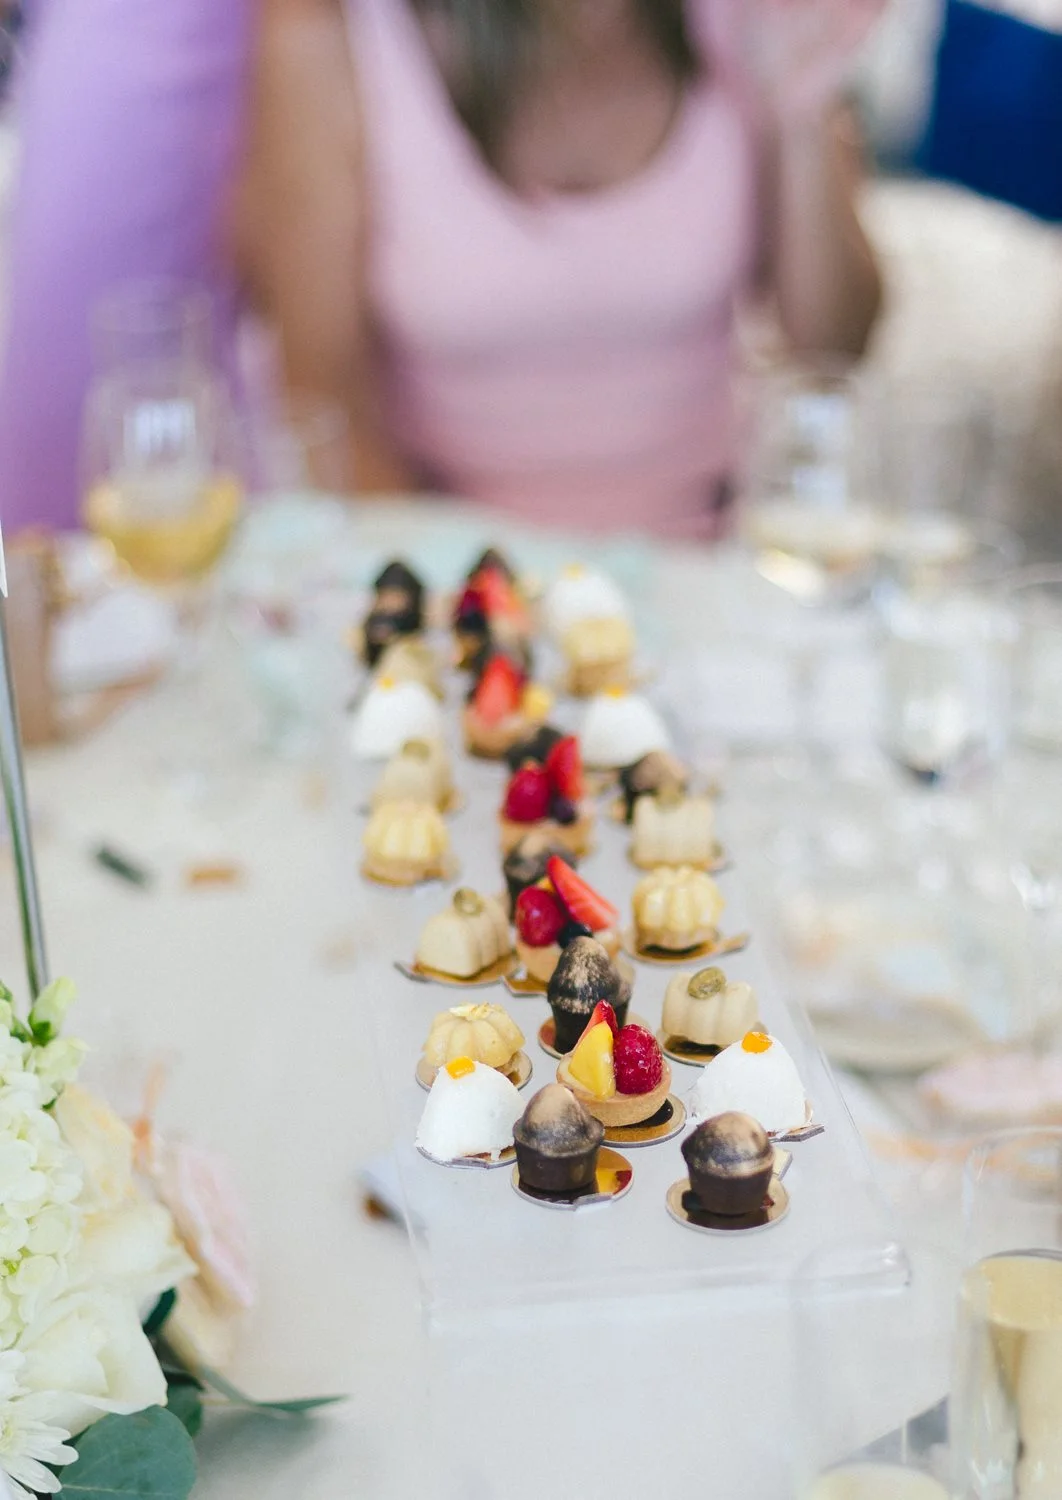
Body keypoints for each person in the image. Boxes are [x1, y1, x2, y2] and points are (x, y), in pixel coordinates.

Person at [237, 0, 886, 535]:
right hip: (452, 584)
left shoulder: (744, 14)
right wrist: (476, 605)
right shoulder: (330, 26)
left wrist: (806, 117)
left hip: (711, 564)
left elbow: (834, 351)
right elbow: (319, 404)